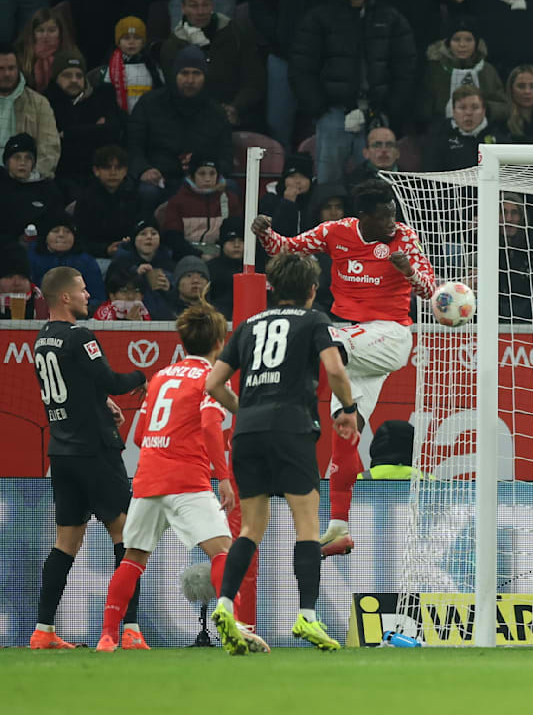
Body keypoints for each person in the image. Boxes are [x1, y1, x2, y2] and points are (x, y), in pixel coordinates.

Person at [251, 178, 435, 557]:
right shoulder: (336, 231)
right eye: (385, 216)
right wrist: (265, 233)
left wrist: (409, 272)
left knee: (325, 337)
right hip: (352, 342)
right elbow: (286, 248)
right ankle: (339, 527)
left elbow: (430, 290)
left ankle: (283, 389)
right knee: (344, 428)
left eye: (393, 214)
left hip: (389, 336)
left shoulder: (404, 238)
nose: (392, 222)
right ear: (363, 216)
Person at [205, 253, 360, 654]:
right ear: (312, 290)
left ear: (272, 288)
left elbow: (214, 384)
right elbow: (336, 369)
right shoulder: (314, 320)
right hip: (292, 428)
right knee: (306, 526)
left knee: (250, 529)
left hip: (248, 433)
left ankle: (224, 604)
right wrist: (348, 409)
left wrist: (248, 411)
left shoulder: (248, 325)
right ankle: (307, 615)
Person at [96, 303, 267, 653]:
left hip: (147, 478)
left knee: (133, 558)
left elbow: (141, 436)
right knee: (223, 552)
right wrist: (222, 477)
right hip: (187, 477)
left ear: (183, 341)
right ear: (220, 342)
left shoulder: (161, 376)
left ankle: (108, 636)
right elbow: (208, 424)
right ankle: (230, 625)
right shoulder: (211, 379)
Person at [29, 266, 147, 649]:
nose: (87, 295)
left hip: (62, 453)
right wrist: (143, 377)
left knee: (66, 542)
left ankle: (43, 631)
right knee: (128, 535)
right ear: (64, 297)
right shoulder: (81, 336)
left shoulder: (42, 340)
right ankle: (127, 630)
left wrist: (101, 402)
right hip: (95, 450)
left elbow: (78, 389)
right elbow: (111, 379)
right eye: (81, 290)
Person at [291, 0, 417, 184]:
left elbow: (406, 68)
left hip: (377, 115)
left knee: (376, 183)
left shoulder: (390, 17)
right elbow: (301, 68)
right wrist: (319, 109)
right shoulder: (320, 17)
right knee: (328, 185)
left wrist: (389, 110)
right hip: (333, 114)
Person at [127, 45, 233, 201]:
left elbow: (226, 157)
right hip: (160, 179)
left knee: (231, 188)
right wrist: (144, 170)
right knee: (147, 191)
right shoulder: (149, 104)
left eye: (196, 73)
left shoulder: (216, 112)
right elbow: (133, 146)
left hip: (203, 180)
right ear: (175, 74)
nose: (190, 80)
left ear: (205, 76)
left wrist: (207, 168)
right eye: (184, 73)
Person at [159, 0, 265, 129]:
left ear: (212, 6)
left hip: (238, 118)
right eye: (193, 5)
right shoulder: (172, 47)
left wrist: (236, 107)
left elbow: (254, 80)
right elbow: (175, 93)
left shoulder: (234, 34)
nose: (200, 11)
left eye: (205, 4)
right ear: (183, 8)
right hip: (192, 124)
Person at [46, 52, 125, 195]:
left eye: (79, 75)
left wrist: (69, 133)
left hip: (96, 173)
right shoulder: (47, 101)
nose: (74, 80)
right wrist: (95, 130)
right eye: (67, 75)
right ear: (56, 78)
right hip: (62, 175)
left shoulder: (100, 98)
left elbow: (112, 132)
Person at [422, 17, 509, 126]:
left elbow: (504, 108)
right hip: (442, 131)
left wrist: (485, 109)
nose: (462, 45)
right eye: (456, 39)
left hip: (484, 130)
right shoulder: (435, 70)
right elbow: (424, 107)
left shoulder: (487, 70)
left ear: (476, 43)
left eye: (468, 40)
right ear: (448, 43)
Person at [161, 154, 243, 258]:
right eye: (202, 173)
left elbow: (237, 233)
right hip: (187, 256)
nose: (207, 179)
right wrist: (199, 255)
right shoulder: (178, 201)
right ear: (192, 176)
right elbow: (172, 237)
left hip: (221, 257)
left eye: (212, 173)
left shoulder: (230, 200)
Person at [73, 145, 145, 259]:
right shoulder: (86, 199)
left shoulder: (135, 197)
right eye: (107, 167)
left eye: (118, 167)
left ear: (125, 170)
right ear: (96, 171)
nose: (113, 172)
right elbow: (79, 240)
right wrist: (105, 249)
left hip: (131, 254)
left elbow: (143, 229)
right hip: (96, 256)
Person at [0, 43, 60, 180]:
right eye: (1, 69)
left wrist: (34, 176)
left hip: (26, 181)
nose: (7, 74)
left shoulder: (39, 104)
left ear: (18, 69)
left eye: (11, 68)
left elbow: (50, 147)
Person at [89, 17, 165, 114]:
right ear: (118, 42)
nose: (131, 42)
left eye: (137, 37)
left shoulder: (154, 68)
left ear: (143, 42)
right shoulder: (107, 70)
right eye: (126, 37)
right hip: (118, 120)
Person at [0, 132, 64, 244]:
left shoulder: (47, 188)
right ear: (7, 161)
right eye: (17, 157)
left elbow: (57, 222)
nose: (22, 163)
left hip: (38, 247)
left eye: (28, 158)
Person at [28, 215, 105, 306]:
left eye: (67, 231)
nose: (61, 235)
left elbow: (98, 298)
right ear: (46, 235)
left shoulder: (86, 261)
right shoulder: (31, 257)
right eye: (55, 231)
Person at [424, 85, 505, 172]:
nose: (468, 113)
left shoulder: (499, 139)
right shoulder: (438, 138)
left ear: (483, 111)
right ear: (454, 111)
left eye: (475, 107)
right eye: (462, 108)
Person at [13, 7, 77, 94]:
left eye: (52, 30)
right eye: (40, 30)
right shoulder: (20, 53)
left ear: (60, 31)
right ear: (32, 32)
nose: (45, 36)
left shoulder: (70, 52)